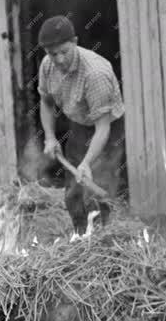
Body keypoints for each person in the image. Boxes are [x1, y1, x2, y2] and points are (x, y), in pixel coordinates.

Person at [37, 15, 126, 233]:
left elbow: (102, 128)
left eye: (64, 52)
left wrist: (87, 163)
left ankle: (104, 240)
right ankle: (80, 235)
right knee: (73, 191)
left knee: (100, 187)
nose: (58, 59)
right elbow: (46, 102)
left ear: (75, 42)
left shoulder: (95, 73)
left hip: (108, 129)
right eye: (52, 53)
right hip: (78, 123)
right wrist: (50, 136)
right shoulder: (48, 65)